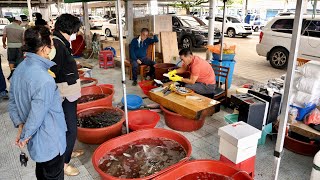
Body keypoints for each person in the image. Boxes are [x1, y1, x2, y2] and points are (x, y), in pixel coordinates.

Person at [8, 26, 67, 180]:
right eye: (51, 44)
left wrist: (20, 126)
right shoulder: (44, 79)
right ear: (44, 49)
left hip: (38, 145)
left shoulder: (19, 69)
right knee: (52, 173)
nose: (52, 48)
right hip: (50, 141)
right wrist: (24, 136)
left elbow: (12, 102)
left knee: (42, 172)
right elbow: (36, 115)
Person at [50, 13, 83, 176]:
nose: (75, 33)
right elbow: (53, 70)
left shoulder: (61, 42)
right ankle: (64, 164)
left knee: (68, 127)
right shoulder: (57, 44)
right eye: (75, 30)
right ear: (69, 28)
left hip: (68, 92)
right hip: (64, 94)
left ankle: (68, 151)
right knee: (70, 129)